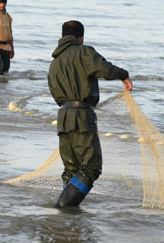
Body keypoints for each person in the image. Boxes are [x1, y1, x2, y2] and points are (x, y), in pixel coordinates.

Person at [47, 20, 132, 208]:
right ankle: (63, 207)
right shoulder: (84, 52)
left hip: (63, 118)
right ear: (81, 37)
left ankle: (66, 217)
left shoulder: (55, 62)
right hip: (82, 117)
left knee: (71, 169)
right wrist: (123, 74)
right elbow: (105, 69)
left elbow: (54, 91)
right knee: (91, 167)